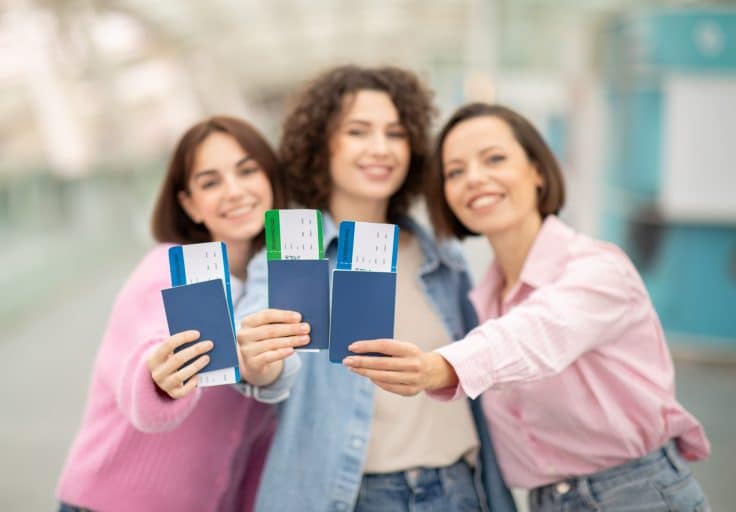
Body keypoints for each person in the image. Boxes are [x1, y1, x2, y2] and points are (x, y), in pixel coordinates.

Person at [344, 102, 712, 511]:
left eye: (495, 159)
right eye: (455, 171)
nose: (475, 179)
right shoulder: (481, 296)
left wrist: (436, 368)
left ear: (538, 170)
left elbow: (536, 334)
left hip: (636, 494)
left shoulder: (597, 269)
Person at [235, 66, 516, 512]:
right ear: (320, 144)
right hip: (356, 497)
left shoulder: (440, 256)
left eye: (396, 133)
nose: (380, 148)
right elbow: (266, 365)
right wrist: (256, 360)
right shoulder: (293, 253)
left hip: (462, 487)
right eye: (358, 131)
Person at [56, 115, 288, 512]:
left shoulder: (278, 281)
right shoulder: (165, 270)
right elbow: (143, 363)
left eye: (248, 171)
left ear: (271, 180)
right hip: (110, 503)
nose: (234, 191)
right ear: (189, 205)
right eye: (210, 182)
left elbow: (259, 431)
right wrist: (160, 377)